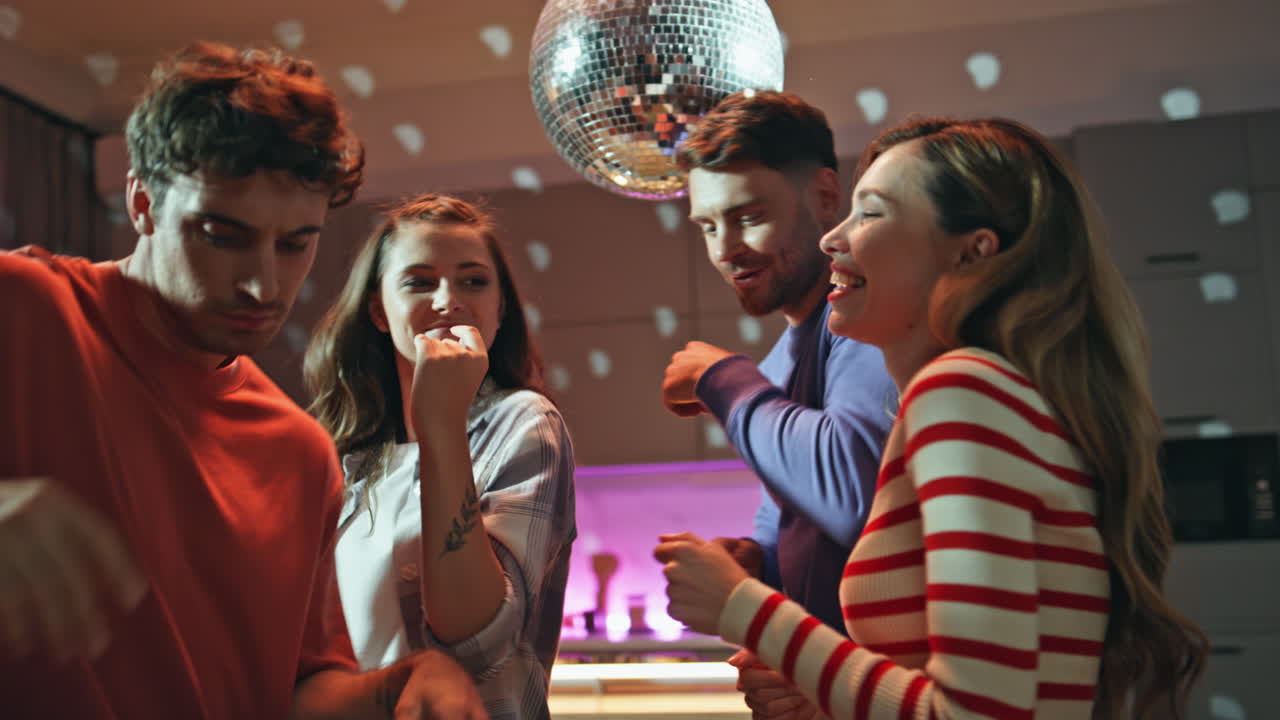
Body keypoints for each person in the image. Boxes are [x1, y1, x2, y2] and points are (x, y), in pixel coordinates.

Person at [656, 116, 1209, 719]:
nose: (832, 238)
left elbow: (976, 714)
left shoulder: (963, 392)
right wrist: (821, 697)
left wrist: (742, 607)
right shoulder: (980, 397)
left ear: (971, 253)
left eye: (870, 213)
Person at [0, 41, 487, 719]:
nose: (264, 284)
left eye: (294, 244)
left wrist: (393, 689)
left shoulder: (299, 451)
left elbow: (299, 689)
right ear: (142, 202)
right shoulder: (20, 309)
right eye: (221, 235)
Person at [660, 90, 896, 714]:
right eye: (708, 226)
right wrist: (755, 563)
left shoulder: (869, 323)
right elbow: (797, 520)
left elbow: (852, 498)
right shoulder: (775, 366)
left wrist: (722, 379)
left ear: (825, 196)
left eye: (748, 215)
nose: (724, 249)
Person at [304, 193, 576, 720]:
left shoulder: (523, 422)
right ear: (379, 310)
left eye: (473, 281)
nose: (449, 300)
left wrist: (442, 422)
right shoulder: (341, 455)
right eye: (419, 282)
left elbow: (475, 636)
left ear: (500, 309)